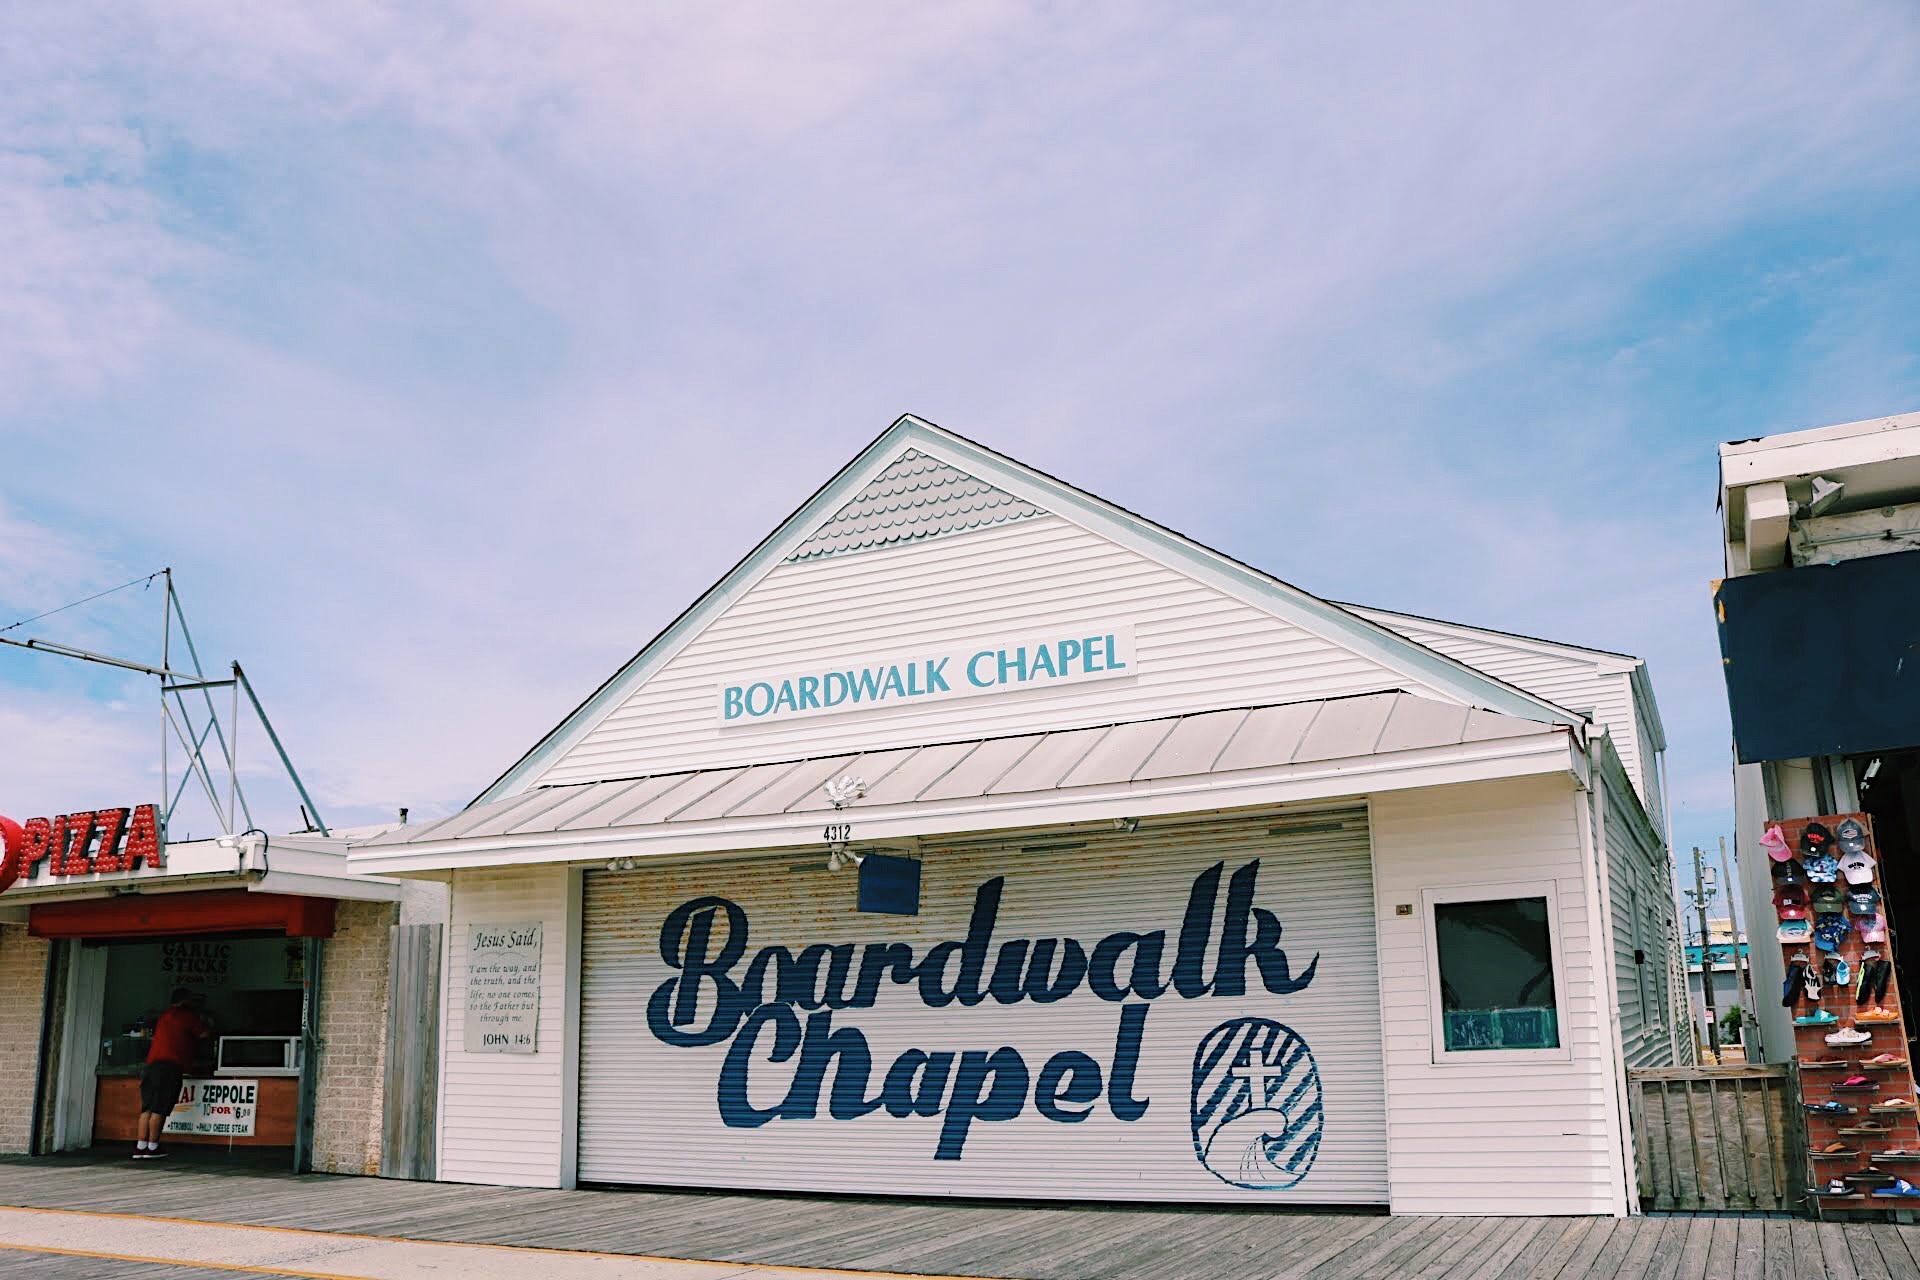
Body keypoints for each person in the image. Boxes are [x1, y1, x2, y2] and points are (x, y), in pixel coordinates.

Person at [135, 988, 211, 1160]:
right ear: (186, 1001)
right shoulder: (187, 1017)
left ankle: (140, 1147)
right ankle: (153, 1147)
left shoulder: (164, 1017)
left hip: (152, 1065)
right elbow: (205, 1033)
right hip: (169, 1066)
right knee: (159, 1108)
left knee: (146, 1107)